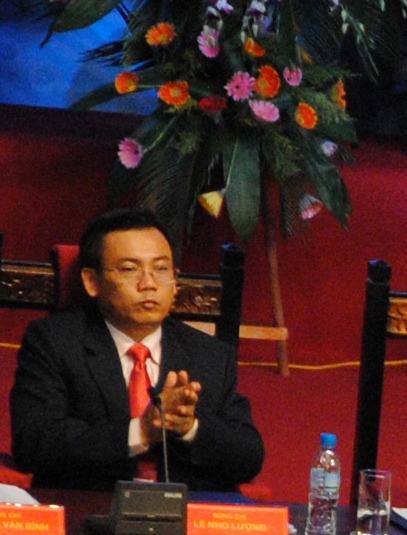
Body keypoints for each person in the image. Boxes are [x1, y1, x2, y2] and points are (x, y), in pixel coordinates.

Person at [9, 206, 263, 493]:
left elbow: (248, 457)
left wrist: (188, 427)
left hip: (185, 512)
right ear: (92, 282)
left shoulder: (210, 354)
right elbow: (34, 444)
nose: (149, 284)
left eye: (161, 269)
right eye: (130, 269)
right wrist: (141, 431)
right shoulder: (54, 342)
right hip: (89, 505)